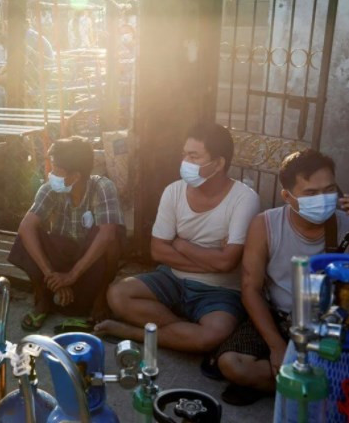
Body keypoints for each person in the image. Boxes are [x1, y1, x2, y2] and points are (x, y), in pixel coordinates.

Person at [95, 123, 260, 353]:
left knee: (212, 334)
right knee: (118, 295)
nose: (185, 162)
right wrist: (213, 259)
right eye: (184, 155)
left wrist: (180, 245)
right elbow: (158, 251)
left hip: (220, 291)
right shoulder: (173, 191)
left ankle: (136, 333)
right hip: (172, 279)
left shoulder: (244, 199)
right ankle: (184, 333)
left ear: (219, 163)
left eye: (194, 156)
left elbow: (227, 263)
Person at [214, 149, 349, 405]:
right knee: (232, 365)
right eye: (310, 193)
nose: (322, 199)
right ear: (287, 196)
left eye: (329, 190)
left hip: (329, 325)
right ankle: (314, 385)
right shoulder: (265, 225)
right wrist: (276, 346)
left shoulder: (345, 224)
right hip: (278, 319)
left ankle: (293, 383)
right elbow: (250, 289)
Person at [8, 136, 125, 331]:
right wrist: (52, 275)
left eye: (57, 170)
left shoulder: (102, 187)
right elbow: (26, 227)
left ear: (76, 176)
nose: (51, 174)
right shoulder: (51, 188)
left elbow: (107, 235)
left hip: (90, 261)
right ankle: (43, 300)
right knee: (27, 235)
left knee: (112, 238)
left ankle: (100, 298)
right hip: (60, 256)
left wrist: (72, 275)